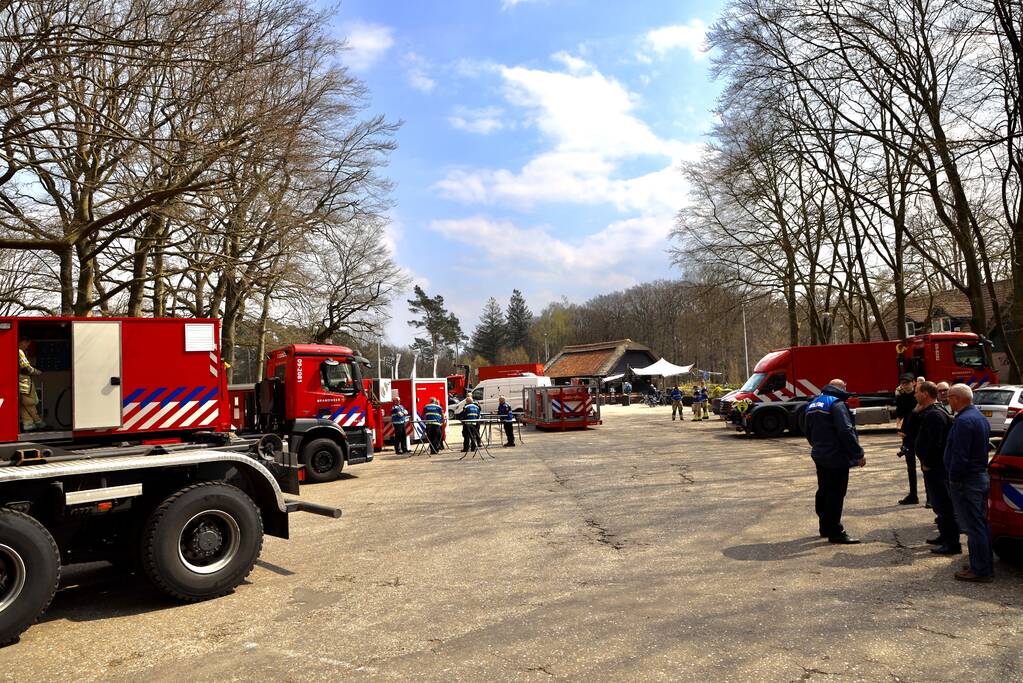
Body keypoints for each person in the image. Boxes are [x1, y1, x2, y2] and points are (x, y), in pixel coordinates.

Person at [804, 379, 866, 544]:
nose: (847, 389)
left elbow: (807, 431)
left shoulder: (813, 403)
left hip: (820, 454)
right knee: (836, 494)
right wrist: (858, 453)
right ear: (839, 388)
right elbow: (846, 430)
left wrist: (818, 446)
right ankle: (836, 531)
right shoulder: (836, 404)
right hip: (837, 456)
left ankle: (824, 526)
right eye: (845, 387)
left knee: (824, 490)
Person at [944, 384, 994, 582]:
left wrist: (954, 478)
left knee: (974, 526)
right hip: (977, 476)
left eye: (949, 398)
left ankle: (981, 570)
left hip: (967, 480)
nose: (948, 401)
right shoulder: (979, 417)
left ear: (957, 398)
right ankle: (980, 563)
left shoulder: (964, 421)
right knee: (979, 524)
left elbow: (960, 455)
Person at [913, 381, 959, 555]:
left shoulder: (934, 415)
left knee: (944, 504)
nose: (915, 395)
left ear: (925, 394)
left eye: (917, 392)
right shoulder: (928, 412)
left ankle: (952, 543)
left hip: (937, 468)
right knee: (939, 505)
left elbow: (935, 444)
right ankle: (944, 535)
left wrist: (928, 463)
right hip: (934, 467)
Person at [895, 373, 922, 505]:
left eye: (907, 383)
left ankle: (930, 499)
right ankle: (913, 495)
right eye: (903, 383)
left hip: (920, 435)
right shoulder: (900, 398)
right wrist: (899, 428)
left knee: (925, 465)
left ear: (913, 382)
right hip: (907, 436)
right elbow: (899, 416)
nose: (905, 385)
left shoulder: (919, 396)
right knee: (910, 467)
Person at [18, 339, 44, 432]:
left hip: (21, 383)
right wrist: (37, 372)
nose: (27, 345)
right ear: (21, 342)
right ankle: (38, 421)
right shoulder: (19, 351)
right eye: (26, 343)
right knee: (29, 402)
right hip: (24, 383)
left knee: (23, 405)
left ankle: (28, 424)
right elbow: (26, 368)